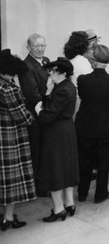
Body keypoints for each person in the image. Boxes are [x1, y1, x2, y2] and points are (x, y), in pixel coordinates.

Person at [35, 57, 79, 222]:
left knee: (54, 169)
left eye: (54, 71)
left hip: (56, 132)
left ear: (64, 73)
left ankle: (58, 209)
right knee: (65, 168)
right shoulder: (66, 87)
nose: (50, 73)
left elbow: (48, 115)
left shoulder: (62, 90)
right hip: (65, 130)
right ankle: (69, 203)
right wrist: (47, 92)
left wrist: (38, 110)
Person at [75, 45, 109, 204]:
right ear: (107, 62)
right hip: (107, 125)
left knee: (85, 160)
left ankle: (82, 192)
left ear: (93, 61)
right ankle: (100, 193)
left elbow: (82, 96)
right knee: (103, 161)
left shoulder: (83, 80)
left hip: (86, 125)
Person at [0, 50, 35, 231]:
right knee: (11, 180)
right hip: (10, 139)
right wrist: (34, 115)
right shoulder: (9, 89)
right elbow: (22, 117)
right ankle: (7, 217)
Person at [18, 33, 50, 197]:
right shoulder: (26, 66)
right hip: (37, 115)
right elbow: (32, 94)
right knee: (37, 150)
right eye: (36, 46)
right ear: (28, 47)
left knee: (46, 149)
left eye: (42, 45)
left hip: (48, 113)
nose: (40, 49)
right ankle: (39, 186)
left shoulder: (46, 61)